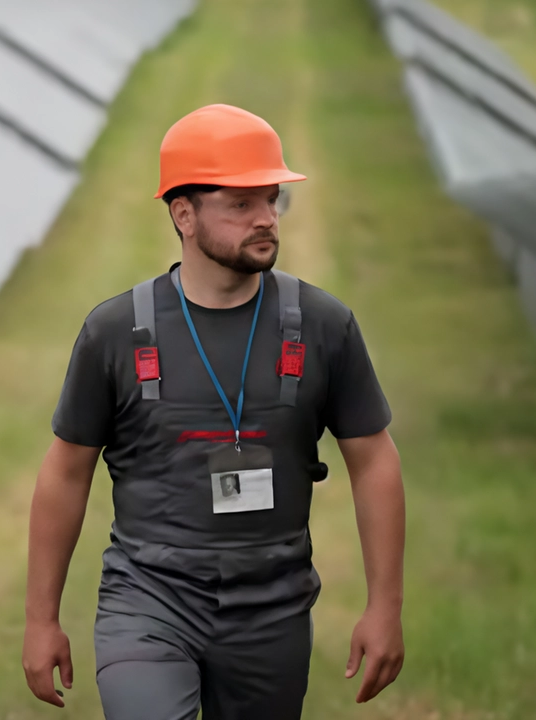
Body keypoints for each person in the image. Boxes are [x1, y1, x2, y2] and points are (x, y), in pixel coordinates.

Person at [22, 103, 406, 719]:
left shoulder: (323, 328)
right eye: (241, 203)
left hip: (273, 611)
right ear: (184, 214)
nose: (266, 219)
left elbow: (374, 461)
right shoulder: (116, 333)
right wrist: (41, 620)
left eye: (272, 199)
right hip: (149, 599)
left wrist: (385, 608)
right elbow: (65, 474)